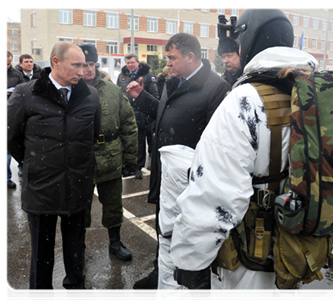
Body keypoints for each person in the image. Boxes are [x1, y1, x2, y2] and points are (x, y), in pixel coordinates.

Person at [168, 8, 308, 300]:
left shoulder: (245, 100)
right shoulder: (310, 93)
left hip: (252, 246)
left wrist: (190, 259)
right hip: (297, 236)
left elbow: (217, 191)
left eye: (240, 40)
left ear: (252, 39)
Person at [126, 32, 231, 294]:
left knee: (187, 235)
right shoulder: (174, 81)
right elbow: (167, 117)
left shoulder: (216, 88)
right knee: (164, 228)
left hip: (190, 181)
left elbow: (217, 143)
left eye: (172, 58)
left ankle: (190, 280)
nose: (168, 63)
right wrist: (142, 98)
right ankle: (161, 270)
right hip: (165, 175)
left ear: (190, 56)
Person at [5, 41, 101, 300]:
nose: (82, 71)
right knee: (42, 249)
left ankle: (76, 286)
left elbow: (93, 134)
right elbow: (11, 136)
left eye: (84, 65)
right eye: (76, 65)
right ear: (55, 62)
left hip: (78, 183)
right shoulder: (26, 93)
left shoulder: (89, 95)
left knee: (75, 243)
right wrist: (35, 162)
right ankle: (41, 293)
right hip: (42, 186)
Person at [78, 44, 138, 262]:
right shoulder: (70, 92)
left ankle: (115, 242)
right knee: (79, 207)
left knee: (113, 205)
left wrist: (131, 158)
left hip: (110, 157)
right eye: (84, 65)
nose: (89, 69)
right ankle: (79, 246)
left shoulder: (112, 91)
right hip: (81, 159)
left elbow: (128, 124)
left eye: (92, 64)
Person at [116, 53, 159, 179]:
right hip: (126, 116)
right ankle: (127, 166)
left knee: (140, 143)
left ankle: (138, 167)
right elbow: (118, 93)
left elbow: (155, 97)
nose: (130, 65)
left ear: (138, 62)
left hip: (141, 116)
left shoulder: (148, 76)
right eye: (127, 63)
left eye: (132, 63)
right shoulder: (122, 76)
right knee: (126, 141)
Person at [14, 54, 43, 177]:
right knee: (21, 139)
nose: (29, 64)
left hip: (37, 109)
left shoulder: (40, 74)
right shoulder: (15, 75)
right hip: (20, 111)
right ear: (20, 64)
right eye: (26, 61)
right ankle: (21, 165)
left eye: (31, 61)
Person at [5, 50, 24, 189]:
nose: (6, 66)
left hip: (8, 113)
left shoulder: (17, 75)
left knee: (6, 149)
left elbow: (22, 93)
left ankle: (6, 178)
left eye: (8, 63)